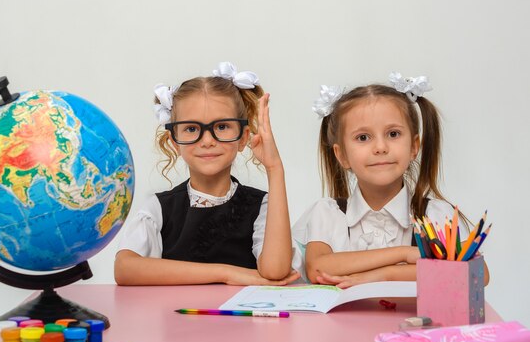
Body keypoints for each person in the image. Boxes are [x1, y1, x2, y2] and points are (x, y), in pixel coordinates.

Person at [292, 72, 489, 287]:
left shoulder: (436, 215)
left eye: (393, 134)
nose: (380, 147)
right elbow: (318, 268)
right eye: (363, 138)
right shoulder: (329, 213)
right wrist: (403, 254)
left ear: (414, 146)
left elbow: (477, 275)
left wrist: (385, 275)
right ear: (342, 155)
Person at [115, 62, 299, 286]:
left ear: (243, 138)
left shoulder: (262, 206)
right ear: (175, 142)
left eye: (222, 127)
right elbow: (125, 268)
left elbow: (276, 270)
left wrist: (275, 168)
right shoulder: (158, 208)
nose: (208, 141)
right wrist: (226, 273)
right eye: (192, 129)